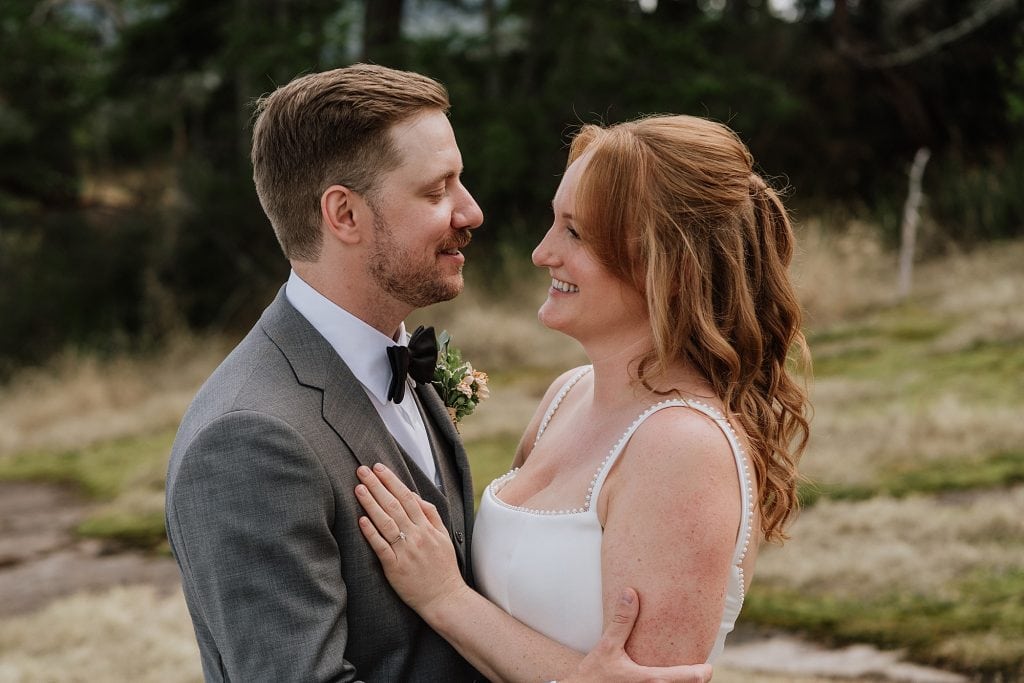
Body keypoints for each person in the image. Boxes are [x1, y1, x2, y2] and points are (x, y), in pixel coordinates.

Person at [165, 64, 712, 683]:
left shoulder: (400, 366)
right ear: (343, 214)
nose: (471, 212)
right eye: (437, 191)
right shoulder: (248, 441)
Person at [355, 114, 812, 680]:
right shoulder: (565, 396)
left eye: (575, 232)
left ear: (665, 264)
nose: (542, 253)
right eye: (554, 223)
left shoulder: (681, 446)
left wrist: (444, 597)